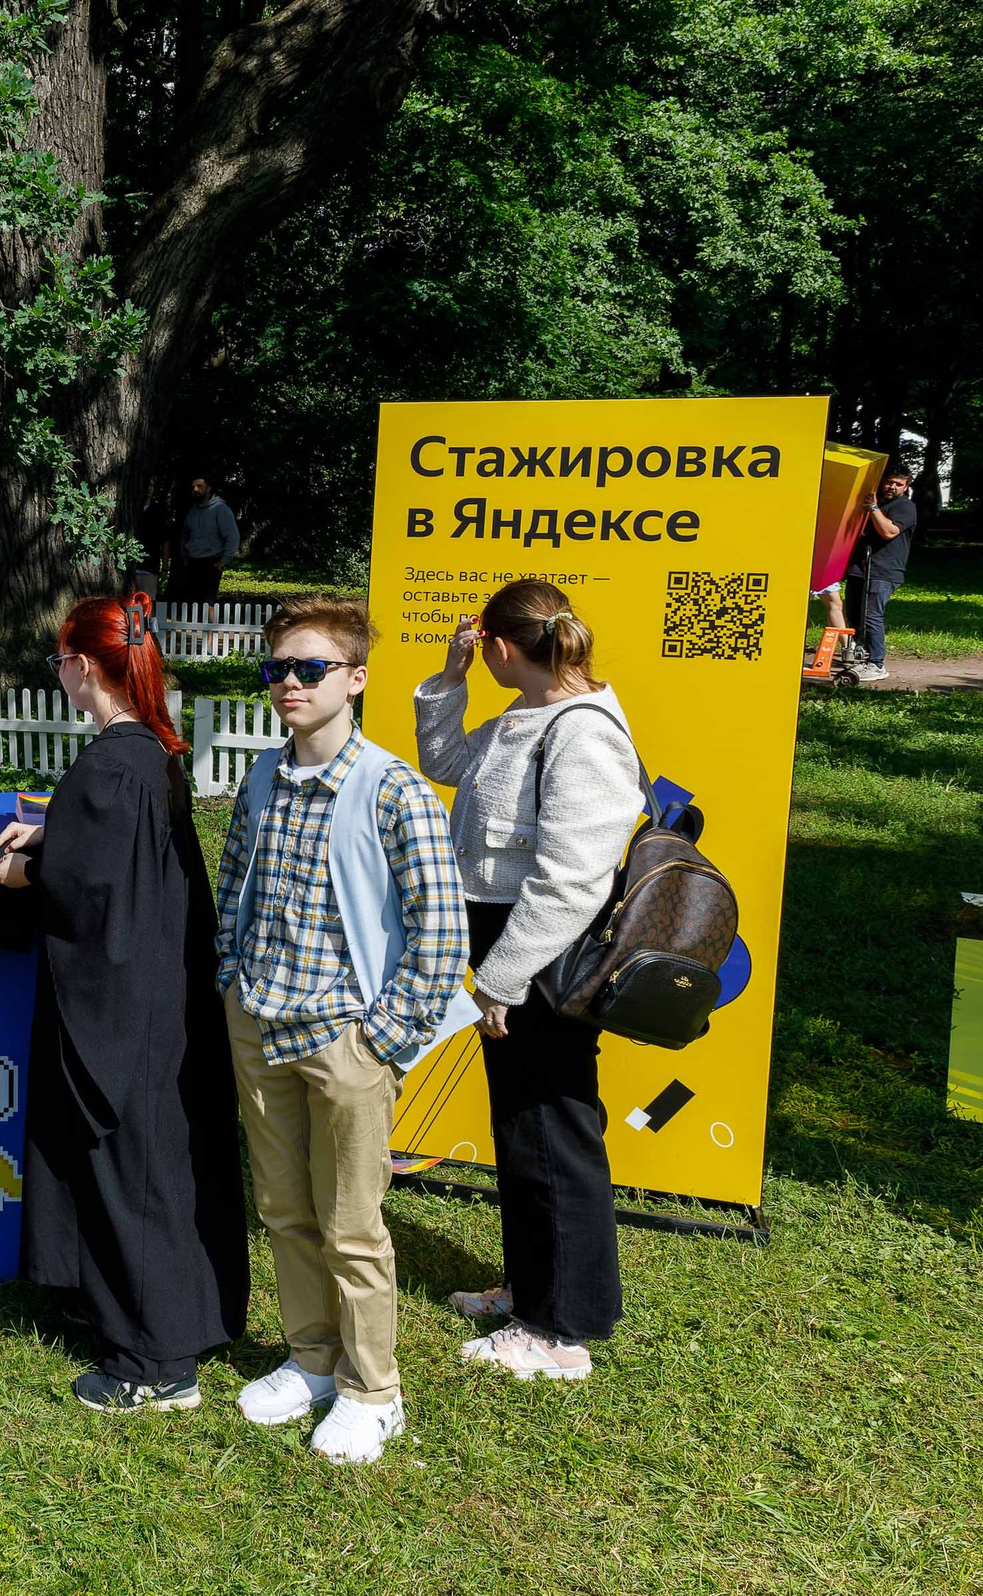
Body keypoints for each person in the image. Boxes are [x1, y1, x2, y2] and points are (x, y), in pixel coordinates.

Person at [213, 594, 469, 1463]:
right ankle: (312, 1358)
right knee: (284, 1209)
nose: (289, 682)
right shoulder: (259, 775)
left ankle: (374, 1389)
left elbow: (440, 930)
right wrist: (230, 986)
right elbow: (234, 887)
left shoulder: (392, 787)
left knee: (352, 1220)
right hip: (260, 1020)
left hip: (345, 1035)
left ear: (355, 678)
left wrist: (385, 1038)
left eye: (310, 667)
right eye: (277, 668)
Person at [0, 594, 248, 1411]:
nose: (57, 672)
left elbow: (92, 892)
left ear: (83, 667)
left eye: (60, 660)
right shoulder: (152, 752)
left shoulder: (105, 766)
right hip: (164, 995)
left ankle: (153, 1364)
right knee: (158, 1164)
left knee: (132, 1172)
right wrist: (52, 834)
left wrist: (26, 872)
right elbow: (117, 858)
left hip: (121, 1006)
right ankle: (145, 1314)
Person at [414, 580, 647, 1383]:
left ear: (504, 647)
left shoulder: (583, 732)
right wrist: (451, 680)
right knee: (522, 1123)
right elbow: (444, 760)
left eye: (482, 649)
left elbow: (572, 879)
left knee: (556, 1129)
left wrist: (504, 979)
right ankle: (529, 1289)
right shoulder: (526, 713)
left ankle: (563, 1327)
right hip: (512, 945)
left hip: (544, 954)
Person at [847, 465, 917, 682]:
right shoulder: (877, 503)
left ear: (906, 487)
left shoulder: (904, 507)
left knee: (871, 616)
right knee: (855, 615)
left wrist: (875, 510)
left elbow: (888, 532)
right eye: (889, 482)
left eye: (898, 484)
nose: (892, 487)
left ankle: (876, 663)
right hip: (861, 568)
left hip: (884, 571)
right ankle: (863, 655)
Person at [166, 477, 240, 603]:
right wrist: (184, 555)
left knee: (208, 602)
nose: (195, 489)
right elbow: (185, 534)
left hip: (211, 562)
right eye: (193, 487)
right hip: (192, 561)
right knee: (191, 602)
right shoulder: (193, 511)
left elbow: (232, 536)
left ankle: (210, 623)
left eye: (199, 486)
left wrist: (224, 560)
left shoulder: (220, 509)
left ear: (208, 488)